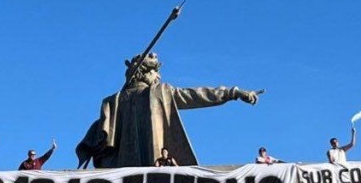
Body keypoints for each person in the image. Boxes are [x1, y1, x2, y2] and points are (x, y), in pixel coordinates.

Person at [76, 53, 262, 168]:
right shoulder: (157, 93)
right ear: (143, 72)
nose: (159, 76)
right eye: (155, 72)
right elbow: (195, 95)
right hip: (152, 177)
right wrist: (233, 92)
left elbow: (98, 137)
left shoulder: (112, 102)